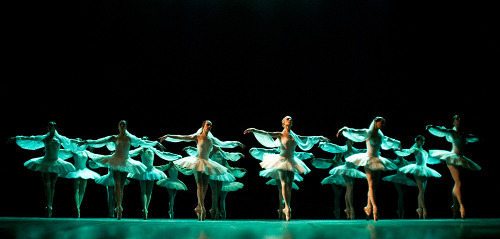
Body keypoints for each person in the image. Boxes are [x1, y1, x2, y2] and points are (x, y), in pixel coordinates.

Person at [244, 116, 329, 221]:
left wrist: (320, 137)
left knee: (289, 185)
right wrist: (254, 130)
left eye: (291, 119)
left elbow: (309, 138)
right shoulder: (280, 134)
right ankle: (287, 208)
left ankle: (287, 205)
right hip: (282, 160)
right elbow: (266, 133)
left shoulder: (296, 136)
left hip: (292, 160)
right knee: (284, 183)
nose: (290, 119)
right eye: (287, 119)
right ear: (283, 123)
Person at [78, 120, 166, 220]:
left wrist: (156, 144)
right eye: (121, 124)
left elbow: (143, 142)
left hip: (126, 162)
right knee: (117, 184)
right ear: (118, 127)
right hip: (115, 160)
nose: (122, 125)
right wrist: (86, 142)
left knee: (122, 186)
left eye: (124, 124)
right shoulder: (114, 137)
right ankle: (119, 207)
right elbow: (99, 141)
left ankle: (119, 205)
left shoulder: (130, 137)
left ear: (126, 126)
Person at [159, 120, 244, 221]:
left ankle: (199, 207)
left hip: (207, 163)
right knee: (199, 185)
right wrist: (168, 136)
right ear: (203, 126)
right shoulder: (197, 136)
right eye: (208, 125)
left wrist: (236, 143)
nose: (209, 127)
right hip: (198, 161)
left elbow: (223, 143)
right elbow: (183, 137)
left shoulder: (212, 139)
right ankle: (202, 207)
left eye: (211, 126)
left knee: (205, 185)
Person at [336, 117, 401, 221]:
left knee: (375, 186)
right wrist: (345, 129)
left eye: (384, 123)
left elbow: (388, 140)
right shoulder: (368, 132)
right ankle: (375, 208)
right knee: (370, 184)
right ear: (375, 122)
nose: (383, 125)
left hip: (378, 160)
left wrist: (398, 143)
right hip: (368, 159)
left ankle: (368, 206)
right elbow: (356, 131)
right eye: (381, 123)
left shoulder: (380, 134)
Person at [8, 122, 77, 217]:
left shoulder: (60, 138)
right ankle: (48, 206)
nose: (50, 128)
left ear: (55, 127)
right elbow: (31, 138)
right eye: (49, 126)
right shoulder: (44, 137)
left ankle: (50, 205)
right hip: (45, 162)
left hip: (56, 162)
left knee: (52, 184)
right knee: (47, 184)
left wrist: (84, 143)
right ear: (47, 127)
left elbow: (70, 142)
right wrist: (16, 138)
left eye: (52, 126)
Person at [426, 115, 480, 219]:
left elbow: (474, 137)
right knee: (459, 182)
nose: (459, 119)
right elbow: (442, 130)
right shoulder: (452, 132)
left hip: (461, 159)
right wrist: (432, 126)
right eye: (457, 118)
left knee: (457, 183)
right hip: (452, 158)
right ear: (453, 122)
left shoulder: (464, 134)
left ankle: (454, 206)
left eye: (460, 118)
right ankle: (461, 206)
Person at [128, 137, 182, 220]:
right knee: (143, 191)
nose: (145, 141)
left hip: (152, 171)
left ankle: (146, 209)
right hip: (143, 171)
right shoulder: (141, 150)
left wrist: (175, 156)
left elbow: (163, 154)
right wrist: (119, 153)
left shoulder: (153, 149)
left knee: (149, 191)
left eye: (147, 140)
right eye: (144, 140)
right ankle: (145, 209)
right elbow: (130, 153)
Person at [314, 139, 367, 219]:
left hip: (353, 170)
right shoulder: (344, 148)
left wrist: (373, 149)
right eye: (348, 141)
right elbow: (335, 147)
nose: (349, 142)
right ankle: (351, 209)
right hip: (346, 169)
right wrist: (325, 144)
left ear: (353, 142)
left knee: (349, 190)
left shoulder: (355, 149)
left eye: (351, 141)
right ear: (346, 142)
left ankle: (347, 208)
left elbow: (363, 151)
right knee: (350, 188)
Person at [396, 135, 441, 219]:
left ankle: (419, 209)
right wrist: (400, 150)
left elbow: (428, 160)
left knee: (422, 191)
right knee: (421, 190)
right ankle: (424, 209)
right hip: (417, 169)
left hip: (425, 169)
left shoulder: (424, 151)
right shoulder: (415, 149)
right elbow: (408, 152)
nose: (423, 142)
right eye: (421, 140)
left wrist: (439, 160)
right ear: (417, 141)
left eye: (423, 140)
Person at [60, 145, 101, 218]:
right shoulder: (74, 151)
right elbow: (64, 151)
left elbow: (95, 156)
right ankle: (77, 208)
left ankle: (78, 207)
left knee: (82, 190)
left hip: (84, 171)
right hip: (76, 171)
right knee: (76, 190)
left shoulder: (86, 152)